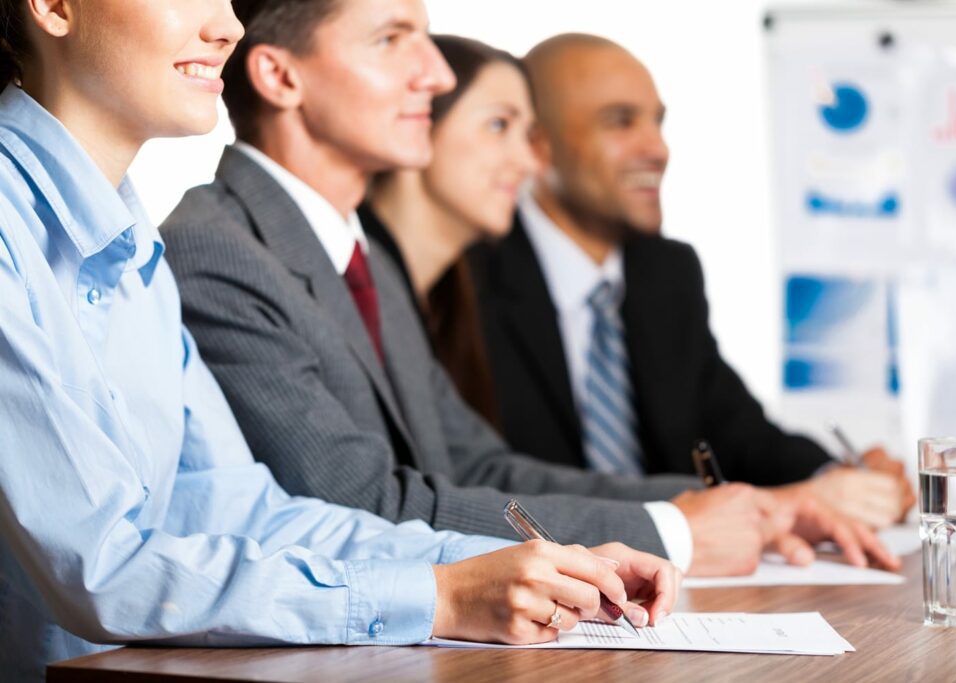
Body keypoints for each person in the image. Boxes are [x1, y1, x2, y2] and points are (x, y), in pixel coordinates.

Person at [0, 3, 682, 679]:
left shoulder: (133, 244)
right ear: (55, 6)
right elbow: (100, 566)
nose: (229, 27)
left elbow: (245, 508)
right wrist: (440, 595)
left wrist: (530, 562)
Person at [162, 0, 898, 583]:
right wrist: (671, 532)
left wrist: (716, 506)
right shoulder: (217, 247)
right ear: (280, 77)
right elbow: (357, 503)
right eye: (393, 38)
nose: (437, 73)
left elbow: (479, 465)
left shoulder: (356, 256)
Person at [468, 34, 916, 529]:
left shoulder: (664, 272)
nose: (658, 149)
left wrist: (839, 479)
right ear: (539, 145)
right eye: (620, 121)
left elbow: (739, 434)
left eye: (657, 122)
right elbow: (482, 477)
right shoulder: (465, 278)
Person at [361, 35, 537, 428]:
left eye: (527, 135)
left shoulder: (462, 299)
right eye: (498, 125)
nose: (527, 162)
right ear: (419, 123)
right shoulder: (350, 284)